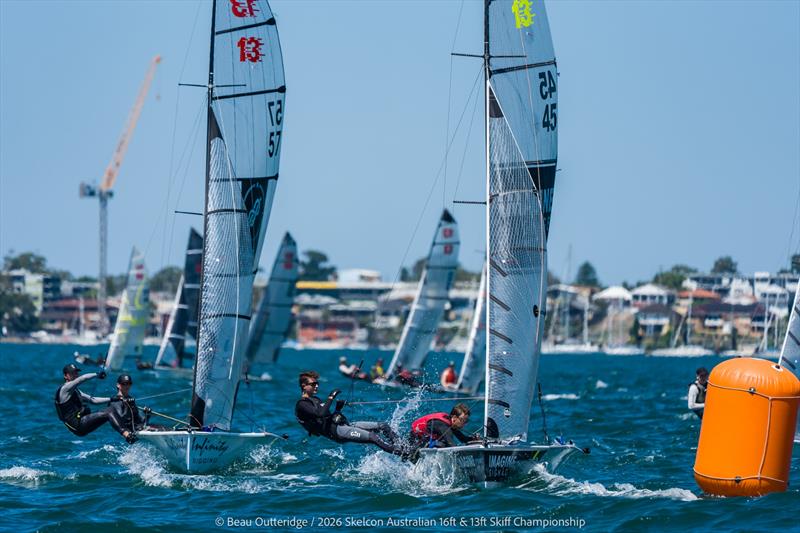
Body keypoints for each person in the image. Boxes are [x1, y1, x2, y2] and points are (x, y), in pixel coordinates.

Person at [295, 371, 411, 457]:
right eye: (313, 383)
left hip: (344, 425)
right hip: (337, 432)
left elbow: (327, 417)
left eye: (317, 383)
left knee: (383, 426)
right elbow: (320, 414)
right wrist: (331, 397)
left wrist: (337, 409)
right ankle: (403, 454)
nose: (317, 386)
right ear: (304, 386)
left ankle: (404, 446)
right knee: (373, 437)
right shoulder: (302, 404)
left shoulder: (316, 399)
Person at [54, 363, 130, 440]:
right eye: (72, 373)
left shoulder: (76, 391)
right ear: (65, 376)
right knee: (109, 411)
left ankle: (130, 429)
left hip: (81, 425)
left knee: (110, 411)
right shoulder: (64, 389)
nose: (76, 375)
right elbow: (82, 378)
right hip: (78, 425)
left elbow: (93, 400)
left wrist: (112, 399)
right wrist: (97, 374)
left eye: (76, 372)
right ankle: (127, 435)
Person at [411, 403, 475, 448]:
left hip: (423, 440)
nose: (464, 423)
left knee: (441, 443)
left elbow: (463, 439)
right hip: (414, 441)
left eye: (466, 421)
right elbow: (452, 445)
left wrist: (475, 439)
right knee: (443, 444)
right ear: (454, 418)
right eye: (462, 420)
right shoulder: (443, 426)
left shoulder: (450, 424)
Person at [108, 374, 150, 442]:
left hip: (138, 429)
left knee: (161, 428)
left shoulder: (130, 399)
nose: (127, 386)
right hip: (129, 435)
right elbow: (121, 418)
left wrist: (146, 414)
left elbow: (138, 420)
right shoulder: (115, 401)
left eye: (129, 383)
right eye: (124, 384)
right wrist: (126, 404)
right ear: (118, 385)